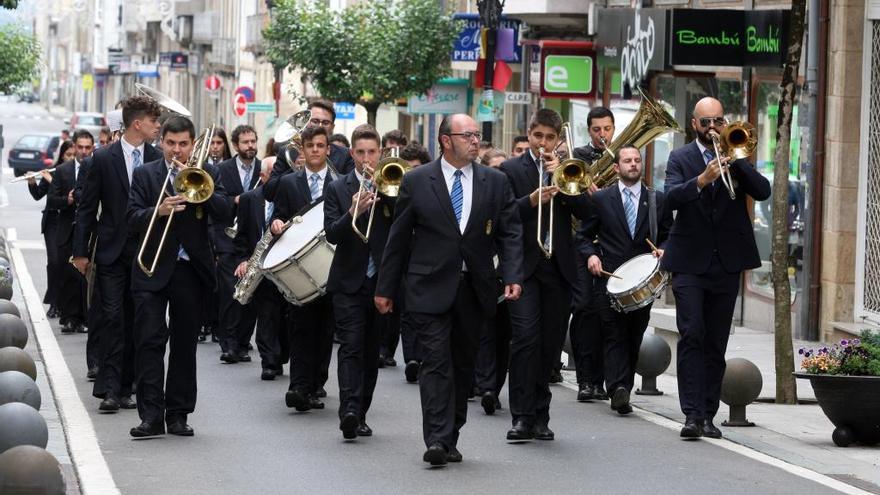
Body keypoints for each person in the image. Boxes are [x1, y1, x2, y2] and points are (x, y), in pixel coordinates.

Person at [374, 113, 523, 466]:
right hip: (428, 287)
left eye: (477, 135)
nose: (476, 140)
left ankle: (451, 431)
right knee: (436, 364)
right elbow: (398, 238)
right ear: (446, 140)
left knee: (462, 364)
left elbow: (510, 232)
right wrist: (386, 288)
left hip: (475, 288)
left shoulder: (495, 182)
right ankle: (437, 438)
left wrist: (514, 274)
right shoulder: (416, 180)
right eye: (468, 135)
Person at [663, 97, 770, 439]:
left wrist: (738, 163)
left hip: (725, 263)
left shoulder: (737, 154)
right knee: (692, 333)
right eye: (706, 122)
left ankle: (708, 414)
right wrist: (701, 180)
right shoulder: (681, 158)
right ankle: (691, 415)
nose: (713, 127)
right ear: (694, 124)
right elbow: (670, 198)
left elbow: (763, 191)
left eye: (718, 121)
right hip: (689, 262)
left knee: (715, 342)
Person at [127, 115, 231, 438]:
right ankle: (151, 416)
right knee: (149, 340)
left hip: (189, 269)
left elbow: (227, 212)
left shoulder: (209, 172)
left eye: (183, 144)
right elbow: (130, 218)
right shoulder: (146, 175)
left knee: (185, 344)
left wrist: (202, 191)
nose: (176, 150)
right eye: (170, 144)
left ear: (193, 144)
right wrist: (157, 211)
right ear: (161, 144)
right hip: (153, 267)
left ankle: (178, 414)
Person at [499, 108, 592, 442]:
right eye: (538, 136)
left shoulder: (569, 171)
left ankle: (541, 414)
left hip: (559, 268)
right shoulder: (510, 170)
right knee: (525, 340)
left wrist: (566, 184)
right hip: (524, 269)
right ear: (529, 134)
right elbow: (503, 217)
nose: (543, 143)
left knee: (549, 346)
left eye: (550, 138)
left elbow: (588, 213)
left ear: (559, 140)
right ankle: (521, 416)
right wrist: (530, 201)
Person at [73, 95, 163, 412]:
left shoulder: (158, 157)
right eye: (154, 122)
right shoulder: (101, 158)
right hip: (111, 252)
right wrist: (80, 252)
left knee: (136, 320)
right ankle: (109, 389)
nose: (158, 127)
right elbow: (86, 209)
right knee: (112, 319)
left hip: (146, 252)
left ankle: (127, 386)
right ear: (137, 123)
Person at [577, 144, 673, 415]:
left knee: (634, 335)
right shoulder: (601, 199)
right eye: (627, 161)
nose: (633, 164)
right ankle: (618, 388)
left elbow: (668, 233)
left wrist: (664, 248)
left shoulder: (657, 200)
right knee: (613, 334)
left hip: (642, 282)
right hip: (610, 279)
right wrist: (591, 256)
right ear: (616, 168)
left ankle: (623, 387)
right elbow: (583, 236)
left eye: (637, 160)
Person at [323, 124, 392, 440]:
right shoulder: (338, 188)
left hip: (379, 281)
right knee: (350, 346)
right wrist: (352, 210)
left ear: (380, 153)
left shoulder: (393, 185)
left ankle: (361, 412)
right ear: (351, 154)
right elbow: (332, 235)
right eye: (360, 152)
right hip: (348, 281)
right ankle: (348, 410)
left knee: (369, 350)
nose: (367, 159)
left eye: (372, 152)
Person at [270, 125, 339, 411]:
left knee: (324, 329)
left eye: (320, 146)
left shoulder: (339, 183)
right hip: (299, 269)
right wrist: (274, 225)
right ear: (302, 150)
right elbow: (278, 216)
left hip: (330, 264)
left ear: (327, 150)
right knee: (300, 326)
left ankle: (315, 383)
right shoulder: (288, 183)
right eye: (309, 146)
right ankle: (298, 386)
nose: (314, 151)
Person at [570, 106, 616, 402]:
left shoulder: (624, 156)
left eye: (607, 129)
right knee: (584, 309)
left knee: (608, 314)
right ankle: (585, 379)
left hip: (612, 245)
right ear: (589, 131)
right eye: (597, 130)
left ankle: (604, 380)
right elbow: (571, 203)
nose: (602, 135)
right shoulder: (578, 158)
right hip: (584, 241)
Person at [233, 160, 288, 380]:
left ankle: (281, 354)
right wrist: (244, 260)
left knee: (284, 317)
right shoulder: (248, 199)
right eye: (272, 174)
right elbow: (241, 237)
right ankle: (269, 361)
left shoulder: (289, 196)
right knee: (266, 314)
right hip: (259, 266)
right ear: (263, 176)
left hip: (284, 265)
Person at [215, 125, 262, 363]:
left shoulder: (264, 169)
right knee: (229, 293)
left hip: (253, 242)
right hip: (227, 241)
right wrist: (236, 200)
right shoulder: (222, 170)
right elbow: (216, 201)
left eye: (253, 141)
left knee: (250, 293)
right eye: (245, 142)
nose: (250, 146)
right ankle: (229, 344)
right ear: (235, 145)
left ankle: (243, 343)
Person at [48, 130, 94, 334]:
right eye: (81, 147)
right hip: (67, 229)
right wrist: (66, 200)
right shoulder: (63, 170)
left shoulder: (96, 167)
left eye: (88, 147)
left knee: (84, 277)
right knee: (67, 275)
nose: (84, 151)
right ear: (74, 147)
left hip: (89, 231)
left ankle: (84, 317)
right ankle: (68, 318)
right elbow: (51, 200)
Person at [264, 99, 355, 201]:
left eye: (325, 122)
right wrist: (295, 170)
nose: (319, 126)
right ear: (306, 122)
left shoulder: (344, 155)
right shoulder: (288, 153)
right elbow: (269, 193)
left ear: (332, 127)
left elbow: (351, 191)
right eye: (315, 121)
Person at [27, 160, 62, 319]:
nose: (70, 158)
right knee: (54, 262)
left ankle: (66, 305)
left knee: (67, 265)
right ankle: (54, 302)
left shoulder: (81, 170)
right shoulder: (53, 171)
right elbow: (38, 195)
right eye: (67, 155)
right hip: (53, 222)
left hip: (71, 221)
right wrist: (32, 183)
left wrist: (52, 181)